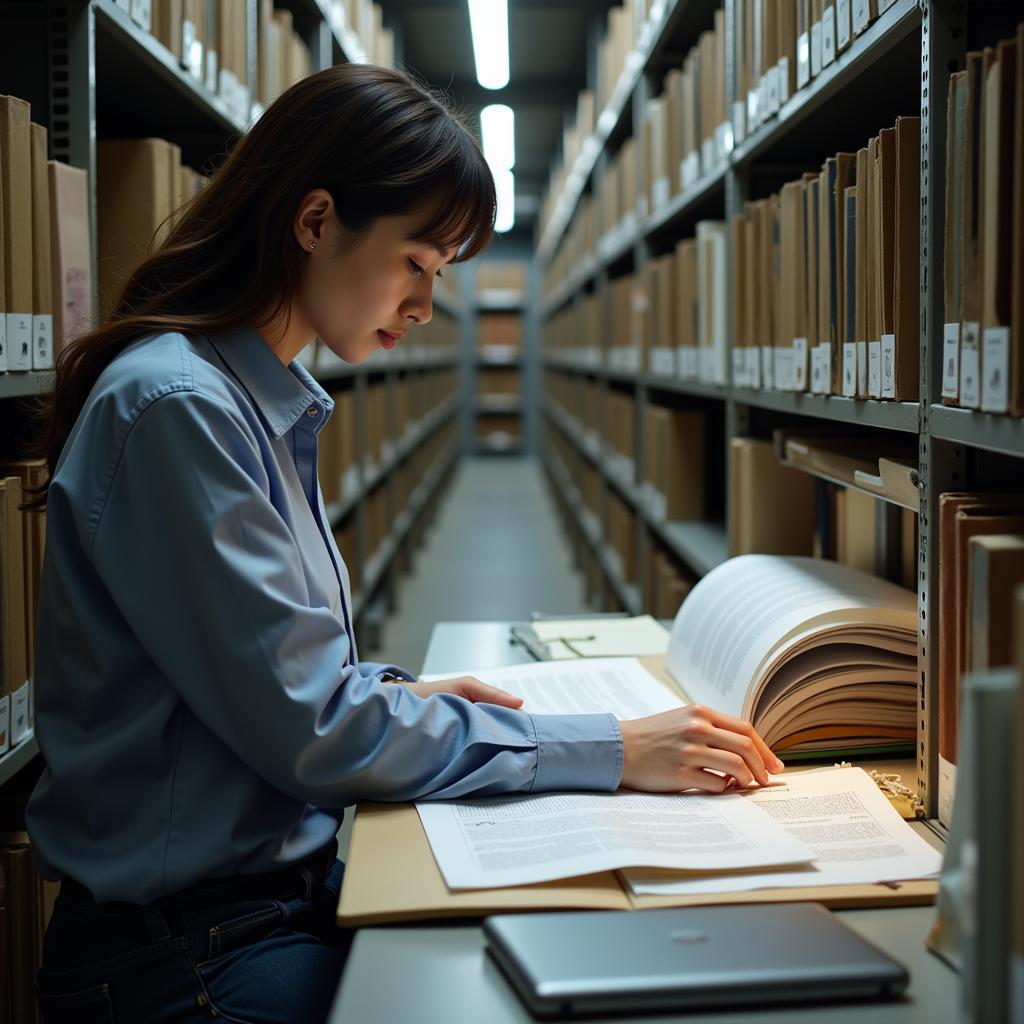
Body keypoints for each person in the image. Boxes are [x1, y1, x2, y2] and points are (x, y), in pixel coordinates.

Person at [23, 64, 783, 1023]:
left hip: (250, 912)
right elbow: (312, 734)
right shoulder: (181, 410)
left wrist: (384, 693)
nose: (425, 307)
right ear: (314, 220)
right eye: (416, 263)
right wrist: (609, 748)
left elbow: (256, 683)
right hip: (187, 960)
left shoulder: (248, 403)